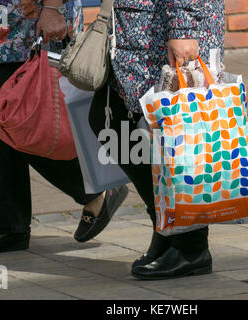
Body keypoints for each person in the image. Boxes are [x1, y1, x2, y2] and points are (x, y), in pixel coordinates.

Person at [0, 0, 128, 257]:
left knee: (19, 123)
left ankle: (94, 191)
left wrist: (53, 8)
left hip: (23, 21)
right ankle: (9, 224)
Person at [89, 0, 225, 279]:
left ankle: (191, 246)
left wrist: (183, 27)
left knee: (183, 134)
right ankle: (166, 226)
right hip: (141, 30)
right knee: (113, 121)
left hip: (168, 29)